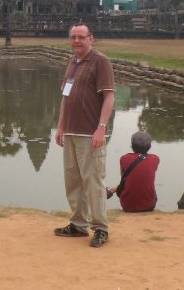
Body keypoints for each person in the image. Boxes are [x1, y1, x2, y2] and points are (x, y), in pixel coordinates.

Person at [54, 23, 115, 248]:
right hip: (70, 131)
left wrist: (101, 127)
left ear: (91, 38)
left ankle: (100, 228)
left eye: (81, 37)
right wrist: (60, 126)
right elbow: (65, 97)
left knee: (94, 182)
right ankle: (78, 224)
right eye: (73, 37)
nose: (77, 41)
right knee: (73, 181)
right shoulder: (72, 62)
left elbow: (109, 96)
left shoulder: (101, 61)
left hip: (90, 133)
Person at [106, 131, 159, 212]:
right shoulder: (155, 159)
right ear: (150, 146)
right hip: (148, 205)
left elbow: (123, 179)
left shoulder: (124, 158)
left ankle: (109, 190)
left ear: (132, 146)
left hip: (127, 206)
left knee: (124, 184)